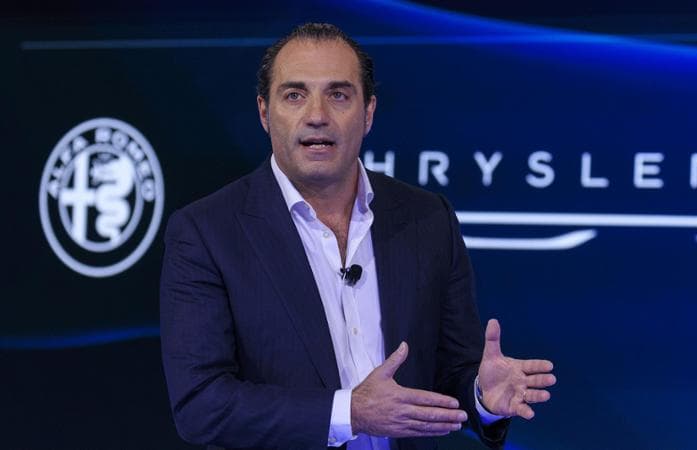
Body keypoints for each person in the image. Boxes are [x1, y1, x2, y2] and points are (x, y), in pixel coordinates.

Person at [160, 23, 556, 450]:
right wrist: (349, 412)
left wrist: (481, 396)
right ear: (264, 113)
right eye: (294, 95)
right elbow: (201, 404)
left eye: (338, 95)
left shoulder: (428, 219)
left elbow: (450, 373)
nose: (316, 115)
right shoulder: (207, 233)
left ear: (368, 113)